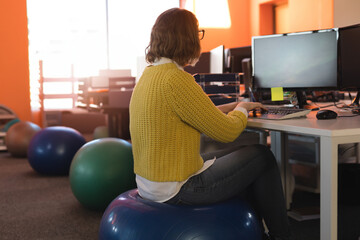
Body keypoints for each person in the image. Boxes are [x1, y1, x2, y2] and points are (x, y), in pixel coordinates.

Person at [129, 8, 292, 240]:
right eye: (197, 34)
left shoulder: (149, 75)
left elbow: (193, 114)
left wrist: (233, 107)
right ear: (187, 38)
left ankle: (256, 227)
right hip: (177, 187)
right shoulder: (176, 79)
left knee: (240, 154)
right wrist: (242, 110)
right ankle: (281, 235)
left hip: (153, 181)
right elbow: (227, 132)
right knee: (261, 156)